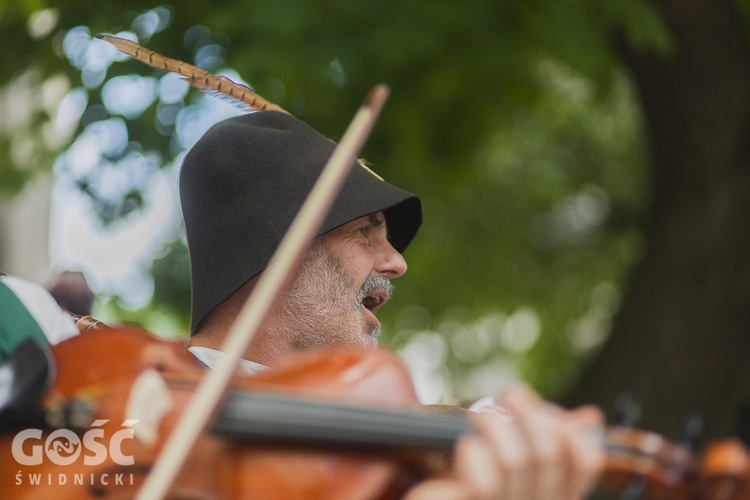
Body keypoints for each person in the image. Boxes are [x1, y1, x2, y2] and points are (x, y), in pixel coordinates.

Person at [180, 110, 605, 499]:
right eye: (365, 231)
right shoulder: (133, 434)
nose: (398, 262)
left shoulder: (381, 457)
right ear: (275, 250)